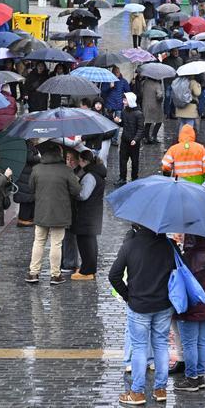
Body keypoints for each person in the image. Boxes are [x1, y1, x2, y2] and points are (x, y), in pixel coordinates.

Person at [109, 225, 176, 405]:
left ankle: (137, 392)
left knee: (139, 347)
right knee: (161, 345)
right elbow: (180, 272)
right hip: (163, 304)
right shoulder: (170, 245)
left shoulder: (130, 246)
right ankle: (161, 389)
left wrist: (127, 295)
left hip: (138, 304)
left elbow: (114, 275)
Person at [25, 142, 82, 286]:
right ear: (59, 154)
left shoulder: (37, 169)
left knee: (38, 242)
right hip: (60, 213)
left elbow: (31, 188)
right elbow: (76, 191)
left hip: (41, 212)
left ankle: (33, 273)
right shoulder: (66, 170)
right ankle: (55, 275)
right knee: (56, 243)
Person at [173, 235, 205, 392]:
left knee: (189, 343)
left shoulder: (184, 259)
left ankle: (192, 378)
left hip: (190, 306)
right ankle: (200, 376)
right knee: (202, 341)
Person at [70, 150, 106, 281]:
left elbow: (83, 195)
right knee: (90, 242)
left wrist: (74, 191)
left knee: (86, 244)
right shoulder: (97, 173)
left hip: (86, 215)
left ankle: (87, 271)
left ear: (85, 161)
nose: (78, 163)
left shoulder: (90, 176)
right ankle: (89, 268)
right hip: (93, 214)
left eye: (80, 160)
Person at [115, 93, 145, 186]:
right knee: (122, 160)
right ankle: (122, 178)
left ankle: (134, 178)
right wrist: (118, 121)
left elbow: (141, 129)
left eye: (125, 100)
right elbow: (123, 124)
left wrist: (135, 139)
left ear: (130, 101)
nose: (123, 102)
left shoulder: (139, 114)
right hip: (125, 140)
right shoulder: (124, 111)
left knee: (134, 161)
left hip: (134, 142)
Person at [101, 68, 132, 145]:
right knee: (107, 122)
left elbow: (128, 91)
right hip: (109, 105)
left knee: (117, 123)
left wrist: (123, 98)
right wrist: (109, 87)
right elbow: (102, 91)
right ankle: (108, 137)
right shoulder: (107, 80)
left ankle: (114, 139)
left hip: (118, 105)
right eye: (115, 72)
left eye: (117, 72)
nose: (116, 74)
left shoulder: (123, 81)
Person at [13, 140, 40, 227]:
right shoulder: (26, 145)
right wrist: (39, 157)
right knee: (25, 199)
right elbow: (29, 158)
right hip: (25, 176)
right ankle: (23, 219)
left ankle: (28, 218)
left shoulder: (25, 144)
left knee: (29, 198)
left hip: (26, 174)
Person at [134, 74, 164, 145]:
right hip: (156, 106)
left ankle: (146, 137)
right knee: (159, 121)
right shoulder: (157, 84)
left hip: (146, 105)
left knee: (148, 122)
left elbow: (141, 93)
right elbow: (159, 95)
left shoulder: (144, 83)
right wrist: (161, 97)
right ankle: (154, 136)